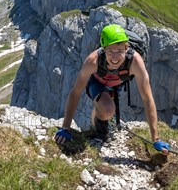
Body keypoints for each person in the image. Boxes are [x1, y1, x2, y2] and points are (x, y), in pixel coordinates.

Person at [53, 24, 170, 154]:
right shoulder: (93, 61)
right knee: (108, 110)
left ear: (126, 48)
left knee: (106, 109)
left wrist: (156, 138)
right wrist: (65, 127)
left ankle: (101, 111)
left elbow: (147, 99)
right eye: (110, 51)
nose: (115, 57)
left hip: (117, 84)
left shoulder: (135, 62)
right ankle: (101, 128)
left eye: (119, 51)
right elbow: (75, 93)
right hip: (96, 82)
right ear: (103, 49)